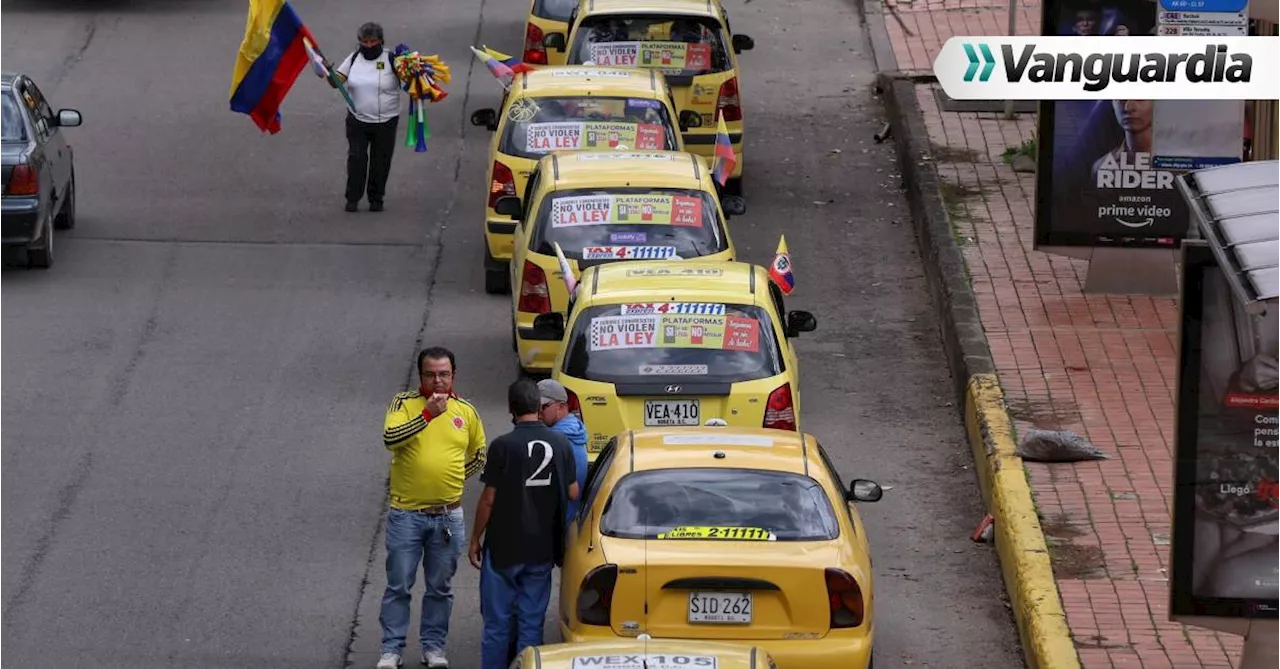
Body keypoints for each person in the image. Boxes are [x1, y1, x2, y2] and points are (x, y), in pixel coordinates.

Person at [376, 347, 487, 669]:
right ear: (420, 375)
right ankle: (391, 649)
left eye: (444, 374)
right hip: (406, 514)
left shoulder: (466, 410)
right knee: (399, 585)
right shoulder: (404, 404)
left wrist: (452, 477)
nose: (438, 381)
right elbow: (390, 438)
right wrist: (427, 415)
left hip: (448, 515)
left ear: (454, 375)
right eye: (430, 374)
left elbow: (479, 455)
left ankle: (433, 648)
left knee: (440, 587)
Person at [468, 380, 580, 669]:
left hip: (504, 547)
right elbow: (573, 492)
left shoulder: (502, 446)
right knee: (531, 625)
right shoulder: (561, 443)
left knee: (497, 625)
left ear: (511, 409)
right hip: (541, 547)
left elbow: (489, 499)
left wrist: (475, 539)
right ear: (537, 408)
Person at [330, 22, 402, 213]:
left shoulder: (392, 59)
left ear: (380, 41)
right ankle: (352, 198)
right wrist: (325, 71)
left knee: (381, 161)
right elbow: (336, 82)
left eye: (373, 41)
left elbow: (410, 83)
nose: (369, 46)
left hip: (386, 121)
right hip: (357, 120)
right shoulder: (354, 58)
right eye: (365, 42)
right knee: (357, 159)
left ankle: (376, 199)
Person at [536, 379, 588, 523]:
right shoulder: (575, 428)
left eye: (543, 407)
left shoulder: (555, 440)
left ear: (561, 406)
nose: (538, 413)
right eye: (535, 407)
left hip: (557, 522)